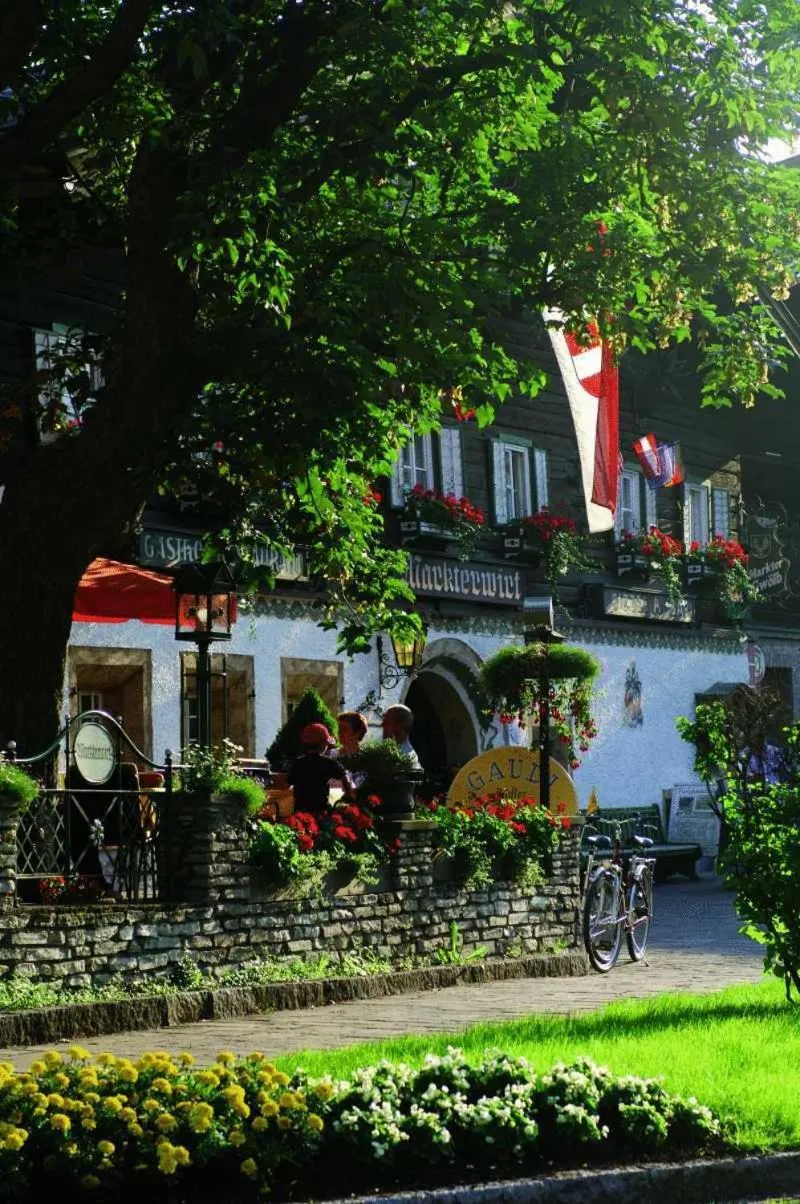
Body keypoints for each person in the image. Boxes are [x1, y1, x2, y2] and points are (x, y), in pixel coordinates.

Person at [287, 724, 352, 815]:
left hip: (300, 811)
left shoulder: (298, 763)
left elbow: (289, 781)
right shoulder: (328, 763)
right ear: (323, 745)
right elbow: (345, 777)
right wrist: (349, 794)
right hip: (321, 811)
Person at [335, 711, 369, 790]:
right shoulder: (331, 754)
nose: (340, 732)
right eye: (339, 728)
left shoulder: (367, 758)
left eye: (345, 729)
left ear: (357, 732)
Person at [382, 704, 422, 771]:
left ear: (399, 725)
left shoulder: (405, 757)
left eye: (386, 721)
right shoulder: (392, 751)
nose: (382, 724)